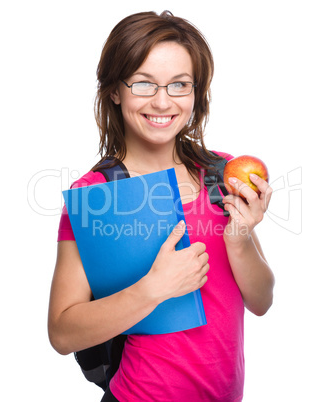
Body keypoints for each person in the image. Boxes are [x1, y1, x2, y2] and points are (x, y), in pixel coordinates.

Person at [48, 10, 275, 402]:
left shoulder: (221, 174)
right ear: (115, 90)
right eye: (143, 83)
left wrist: (239, 239)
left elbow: (261, 301)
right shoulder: (96, 195)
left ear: (195, 93)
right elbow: (62, 332)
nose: (162, 101)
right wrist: (152, 290)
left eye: (179, 85)